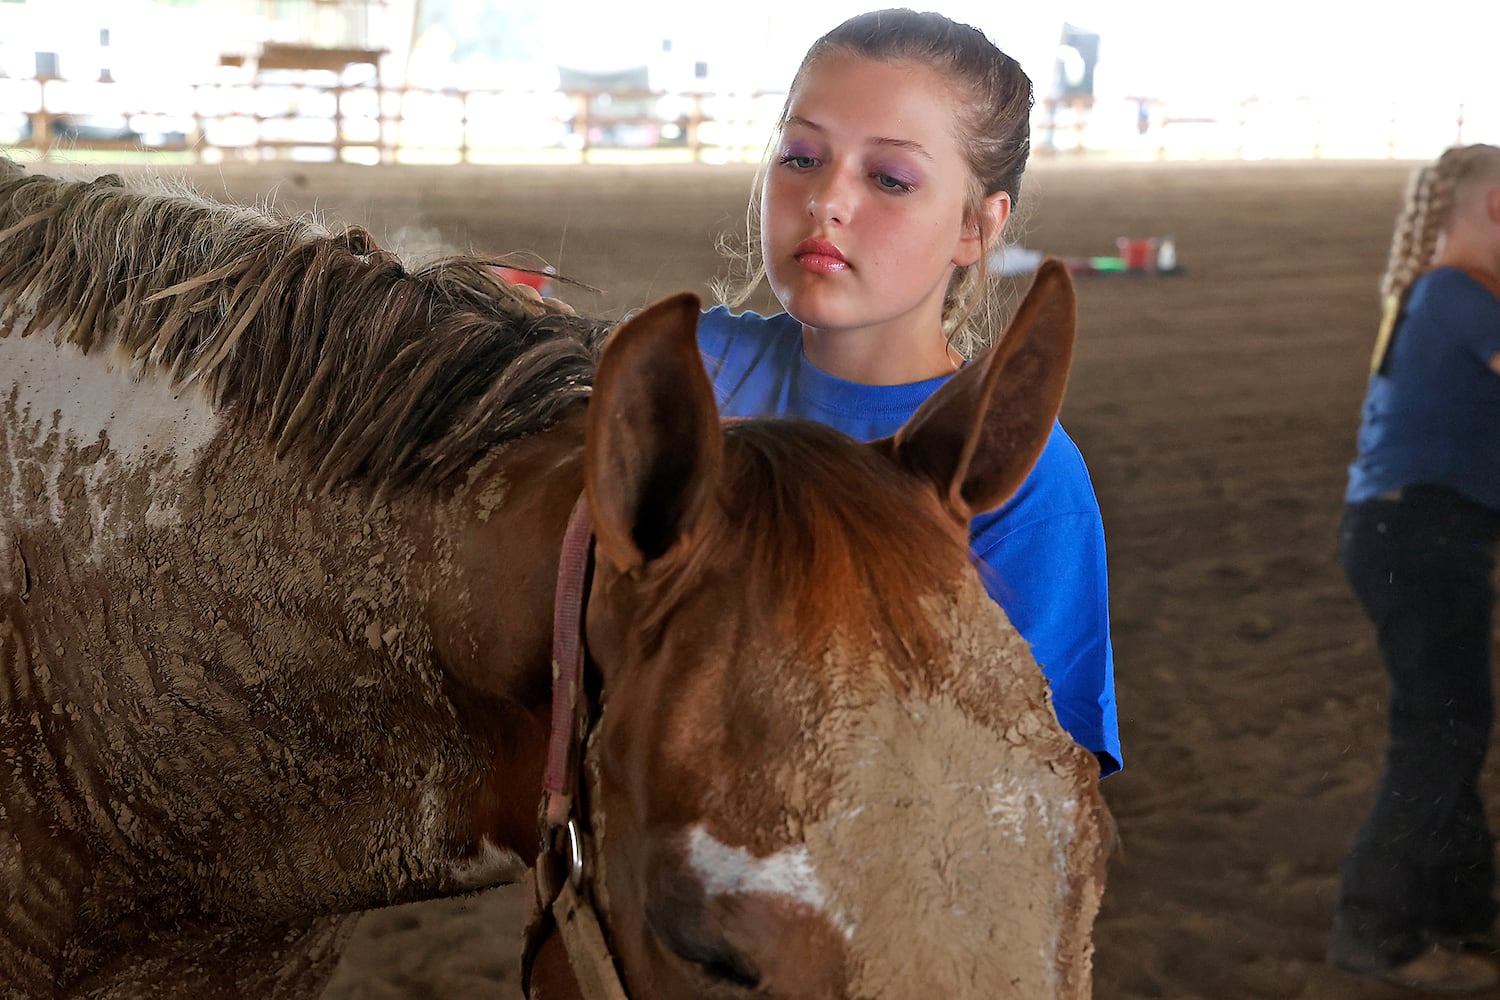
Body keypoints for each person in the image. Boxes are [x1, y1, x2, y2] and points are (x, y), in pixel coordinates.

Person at [698, 9, 1120, 776]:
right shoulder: (688, 371)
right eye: (799, 157)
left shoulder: (1026, 475)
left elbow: (1043, 780)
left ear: (976, 227)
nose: (827, 200)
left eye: (888, 178)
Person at [1329, 143, 1500, 992]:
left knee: (1453, 724)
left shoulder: (1442, 296)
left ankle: (1469, 912)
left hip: (1409, 533)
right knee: (1440, 731)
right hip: (1422, 536)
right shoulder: (1462, 298)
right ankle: (1377, 925)